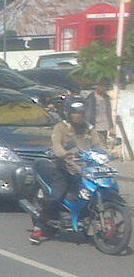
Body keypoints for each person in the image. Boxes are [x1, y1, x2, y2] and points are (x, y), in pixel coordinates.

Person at [29, 99, 106, 244]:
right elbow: (56, 144)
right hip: (64, 169)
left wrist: (108, 153)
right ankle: (39, 227)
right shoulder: (61, 127)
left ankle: (87, 223)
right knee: (56, 197)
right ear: (69, 114)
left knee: (91, 195)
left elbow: (99, 143)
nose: (77, 116)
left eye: (80, 113)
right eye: (74, 113)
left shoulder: (89, 129)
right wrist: (63, 154)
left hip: (85, 169)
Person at [84, 79, 113, 143]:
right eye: (104, 88)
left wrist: (111, 127)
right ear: (99, 86)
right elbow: (88, 113)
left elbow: (108, 113)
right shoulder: (91, 98)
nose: (105, 90)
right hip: (95, 126)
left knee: (103, 144)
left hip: (104, 126)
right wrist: (88, 126)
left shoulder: (106, 98)